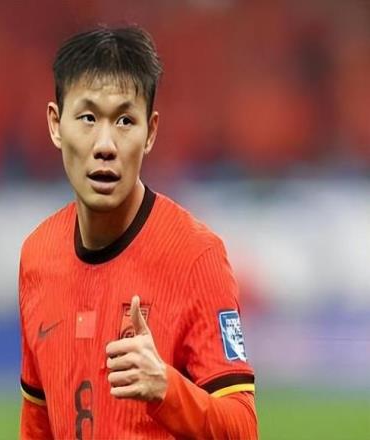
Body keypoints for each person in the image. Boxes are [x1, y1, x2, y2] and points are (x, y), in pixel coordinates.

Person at [19, 26, 257, 439]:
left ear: (151, 132)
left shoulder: (195, 257)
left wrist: (167, 389)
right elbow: (36, 424)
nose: (105, 145)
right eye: (88, 118)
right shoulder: (37, 257)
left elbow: (244, 428)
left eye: (125, 120)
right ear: (56, 124)